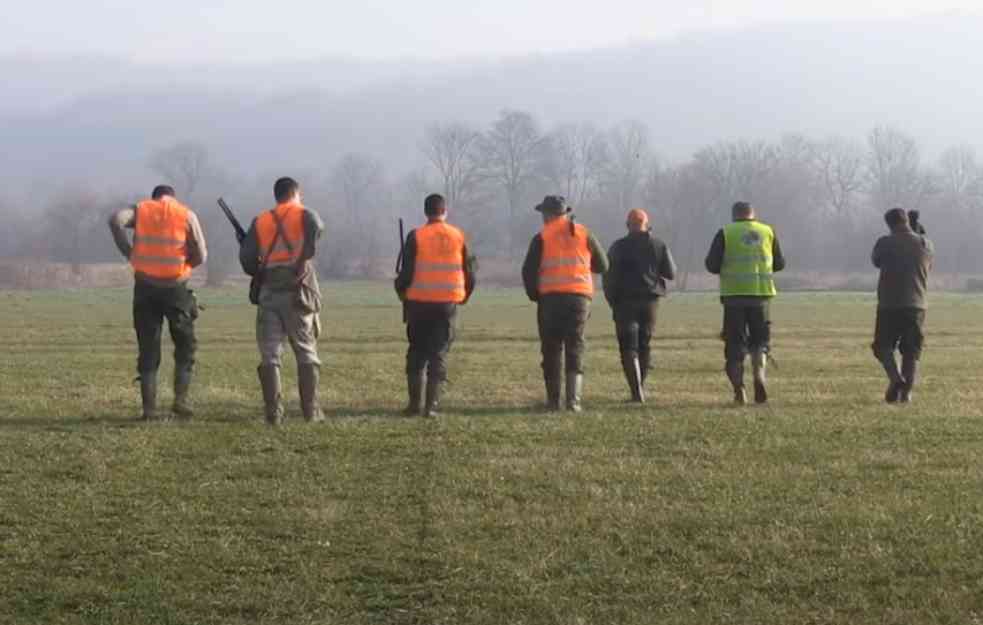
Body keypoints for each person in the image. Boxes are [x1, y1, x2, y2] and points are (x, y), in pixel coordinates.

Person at [108, 185, 207, 420]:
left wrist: (129, 252)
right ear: (173, 197)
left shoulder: (141, 210)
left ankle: (149, 409)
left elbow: (114, 220)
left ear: (154, 197)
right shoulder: (186, 214)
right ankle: (180, 401)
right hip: (177, 289)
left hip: (145, 288)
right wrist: (187, 264)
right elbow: (202, 254)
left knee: (148, 345)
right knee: (185, 344)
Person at [239, 177, 325, 425]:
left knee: (270, 355)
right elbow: (318, 227)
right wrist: (304, 256)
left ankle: (274, 413)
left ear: (276, 195)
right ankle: (311, 411)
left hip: (269, 293)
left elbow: (247, 261)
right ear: (296, 193)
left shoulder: (261, 221)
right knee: (306, 352)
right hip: (298, 292)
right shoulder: (304, 214)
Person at [522, 196, 609, 412]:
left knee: (551, 349)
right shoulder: (584, 233)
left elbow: (528, 271)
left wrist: (535, 294)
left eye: (543, 213)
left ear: (548, 214)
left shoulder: (541, 237)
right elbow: (603, 265)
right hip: (579, 299)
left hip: (550, 299)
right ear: (565, 213)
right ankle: (574, 401)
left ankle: (553, 401)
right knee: (575, 345)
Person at [394, 194, 476, 417]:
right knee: (438, 353)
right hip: (447, 304)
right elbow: (470, 271)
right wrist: (464, 295)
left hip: (419, 303)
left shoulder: (416, 236)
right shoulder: (458, 236)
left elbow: (406, 273)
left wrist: (400, 290)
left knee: (416, 352)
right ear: (445, 211)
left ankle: (413, 405)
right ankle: (431, 407)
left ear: (426, 212)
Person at [705, 201, 785, 404]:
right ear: (753, 214)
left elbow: (711, 265)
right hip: (761, 296)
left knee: (734, 344)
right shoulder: (768, 231)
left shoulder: (725, 232)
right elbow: (780, 263)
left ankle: (739, 389)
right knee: (760, 342)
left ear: (734, 215)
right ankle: (759, 375)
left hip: (734, 297)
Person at [603, 208, 676, 403]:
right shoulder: (658, 244)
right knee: (644, 344)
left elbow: (608, 276)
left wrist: (612, 300)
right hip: (650, 302)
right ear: (646, 225)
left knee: (628, 347)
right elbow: (671, 273)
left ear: (628, 225)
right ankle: (641, 387)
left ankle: (636, 392)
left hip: (625, 302)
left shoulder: (618, 246)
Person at [871, 208, 934, 403]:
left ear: (889, 224)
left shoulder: (885, 243)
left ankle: (896, 379)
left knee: (883, 346)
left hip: (889, 304)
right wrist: (918, 233)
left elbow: (876, 261)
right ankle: (905, 394)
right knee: (911, 350)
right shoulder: (925, 243)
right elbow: (928, 263)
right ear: (906, 220)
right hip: (917, 305)